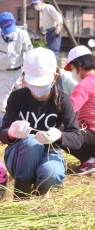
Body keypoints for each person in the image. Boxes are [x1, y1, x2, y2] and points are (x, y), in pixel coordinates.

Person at [0, 47, 83, 200]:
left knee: (53, 173)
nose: (37, 88)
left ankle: (38, 190)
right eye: (33, 83)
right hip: (19, 155)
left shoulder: (62, 101)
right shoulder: (17, 97)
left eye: (42, 83)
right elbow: (2, 135)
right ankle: (21, 193)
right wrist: (10, 133)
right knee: (32, 142)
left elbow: (77, 138)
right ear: (24, 78)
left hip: (49, 152)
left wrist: (59, 136)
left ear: (55, 78)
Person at [0, 12, 33, 114]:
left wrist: (27, 74)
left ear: (14, 23)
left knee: (25, 103)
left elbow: (30, 55)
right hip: (3, 73)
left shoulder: (23, 35)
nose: (9, 33)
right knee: (3, 105)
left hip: (20, 72)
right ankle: (4, 127)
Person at [63, 45, 95, 175]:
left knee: (59, 133)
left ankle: (89, 160)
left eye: (72, 69)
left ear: (80, 65)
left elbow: (67, 111)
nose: (72, 73)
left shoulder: (85, 84)